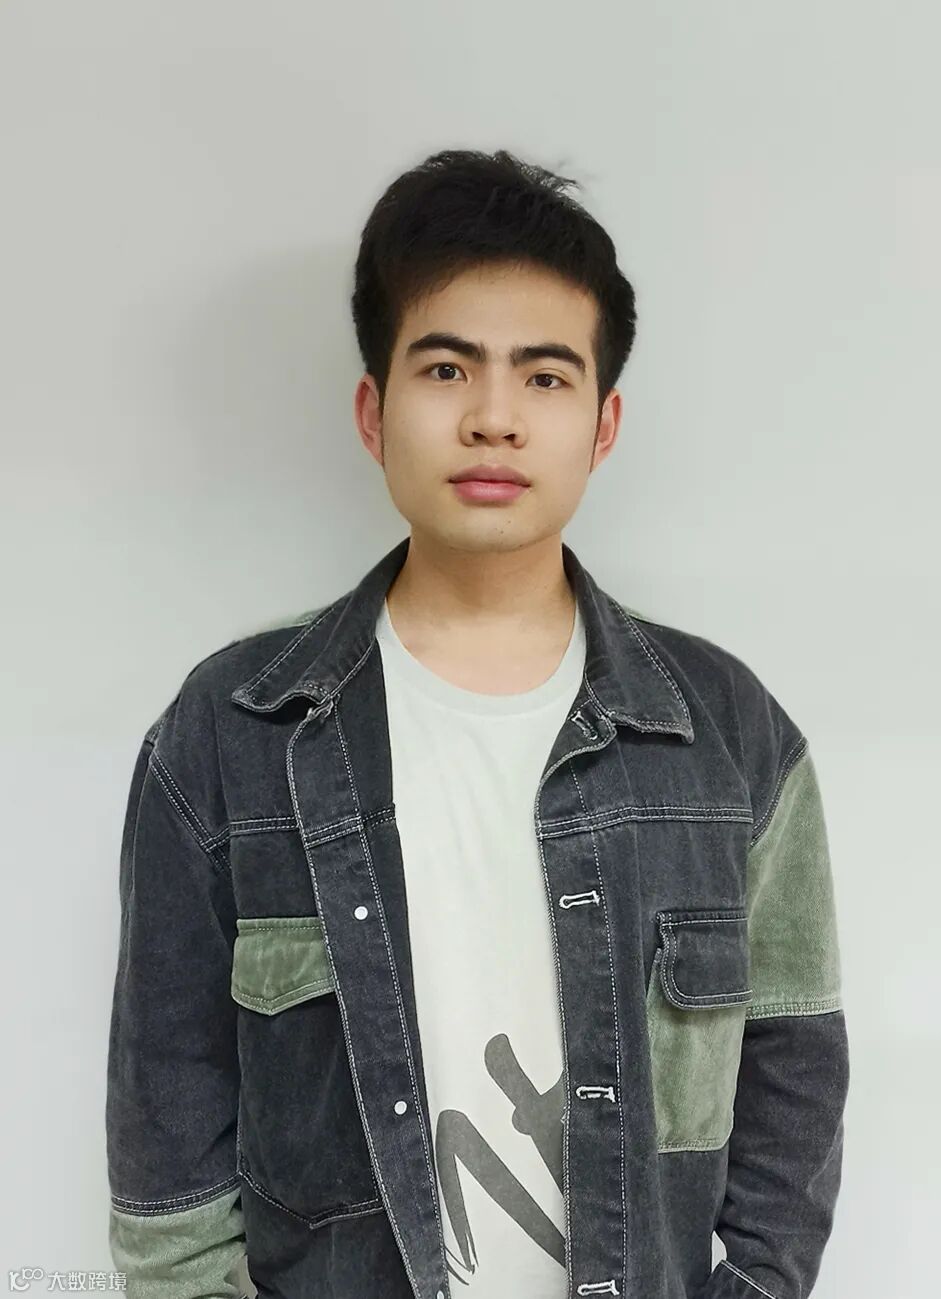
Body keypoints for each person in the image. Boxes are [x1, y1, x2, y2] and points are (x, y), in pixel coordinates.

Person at [105, 148, 849, 1299]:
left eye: (544, 378)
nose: (493, 418)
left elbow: (792, 1078)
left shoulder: (729, 735)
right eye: (447, 368)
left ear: (602, 425)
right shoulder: (231, 731)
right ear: (373, 411)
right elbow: (168, 1118)